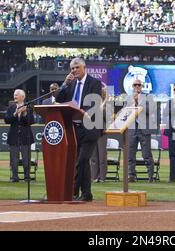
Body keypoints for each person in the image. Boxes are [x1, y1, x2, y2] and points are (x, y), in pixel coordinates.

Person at [56, 57, 102, 201]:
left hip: (89, 127)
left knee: (82, 160)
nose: (74, 70)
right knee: (82, 162)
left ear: (84, 67)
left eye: (77, 67)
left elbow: (94, 103)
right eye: (72, 68)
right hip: (74, 128)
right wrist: (64, 83)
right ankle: (87, 194)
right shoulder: (71, 84)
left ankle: (74, 191)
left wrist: (83, 112)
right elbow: (59, 99)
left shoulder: (94, 82)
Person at [126, 79, 157, 183]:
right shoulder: (128, 97)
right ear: (132, 86)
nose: (137, 86)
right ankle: (131, 175)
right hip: (132, 129)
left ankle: (150, 175)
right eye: (135, 85)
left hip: (144, 129)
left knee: (146, 154)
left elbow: (151, 110)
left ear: (142, 86)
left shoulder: (148, 96)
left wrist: (137, 102)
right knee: (130, 154)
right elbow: (126, 112)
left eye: (139, 85)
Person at [4, 89, 35, 182]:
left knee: (26, 159)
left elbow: (31, 121)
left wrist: (25, 113)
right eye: (14, 95)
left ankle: (27, 177)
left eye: (17, 95)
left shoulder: (29, 107)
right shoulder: (11, 107)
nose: (15, 96)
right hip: (13, 137)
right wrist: (15, 114)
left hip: (26, 137)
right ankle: (14, 177)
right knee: (14, 159)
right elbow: (6, 120)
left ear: (23, 97)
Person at [90, 86, 108, 183]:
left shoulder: (107, 104)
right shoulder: (93, 103)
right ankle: (94, 176)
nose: (102, 93)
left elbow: (106, 116)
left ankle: (102, 177)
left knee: (102, 155)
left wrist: (104, 102)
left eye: (104, 92)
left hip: (102, 132)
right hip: (93, 131)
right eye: (101, 92)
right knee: (94, 156)